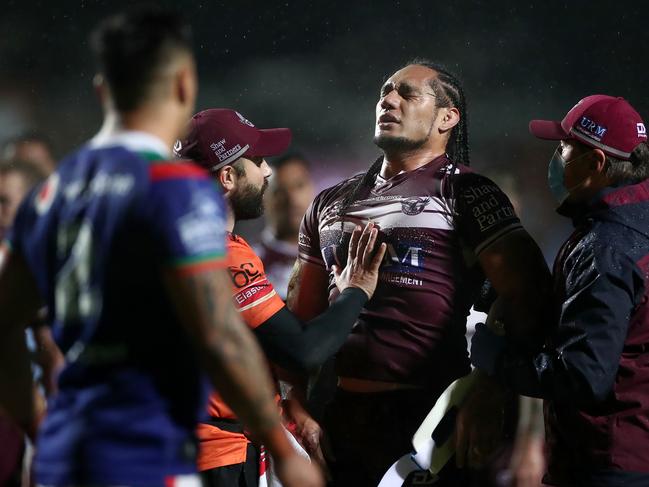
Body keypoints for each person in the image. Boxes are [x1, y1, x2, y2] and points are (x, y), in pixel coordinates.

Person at [0, 8, 320, 487]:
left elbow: (4, 323)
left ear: (101, 89)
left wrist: (35, 424)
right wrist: (279, 446)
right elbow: (219, 334)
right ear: (183, 84)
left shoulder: (50, 193)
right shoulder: (175, 190)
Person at [286, 59, 552, 486]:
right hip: (337, 417)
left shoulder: (467, 192)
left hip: (429, 419)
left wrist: (490, 387)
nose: (388, 100)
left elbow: (530, 294)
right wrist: (295, 402)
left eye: (407, 94)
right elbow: (298, 316)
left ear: (447, 117)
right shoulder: (329, 201)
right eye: (385, 92)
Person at [175, 107, 385, 486]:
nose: (267, 171)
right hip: (214, 455)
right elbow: (302, 350)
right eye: (256, 161)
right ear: (227, 178)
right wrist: (357, 290)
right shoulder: (217, 252)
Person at [472, 94, 649, 487]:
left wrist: (495, 358)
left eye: (565, 146)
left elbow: (583, 376)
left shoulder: (607, 246)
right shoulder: (632, 227)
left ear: (596, 162)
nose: (557, 157)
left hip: (607, 461)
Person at [255, 153, 315, 299]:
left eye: (299, 185)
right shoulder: (248, 266)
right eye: (280, 191)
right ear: (264, 199)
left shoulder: (338, 258)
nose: (292, 199)